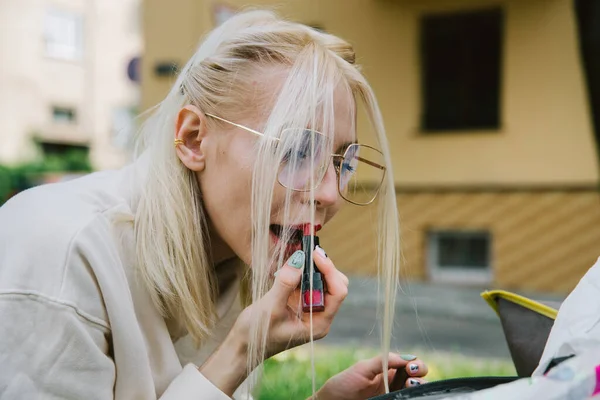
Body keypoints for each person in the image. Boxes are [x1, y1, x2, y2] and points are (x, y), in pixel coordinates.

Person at [0, 10, 428, 400]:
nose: (330, 193)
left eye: (344, 162)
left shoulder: (235, 250)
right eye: (297, 150)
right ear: (192, 139)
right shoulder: (59, 253)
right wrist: (239, 352)